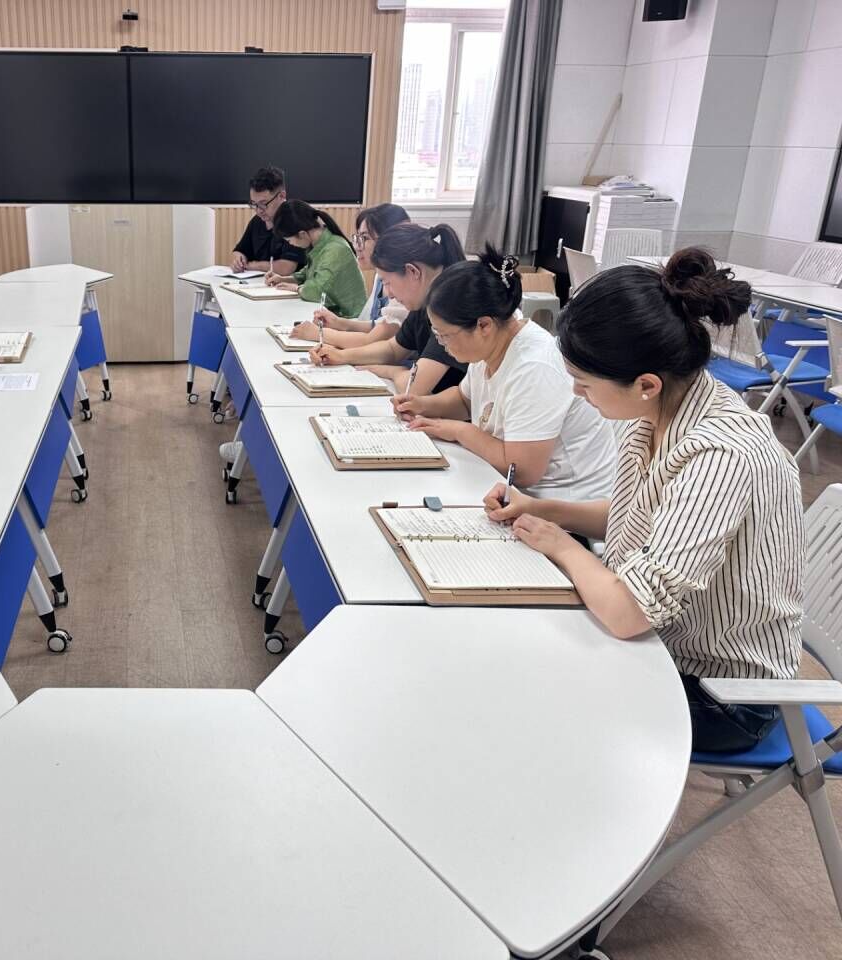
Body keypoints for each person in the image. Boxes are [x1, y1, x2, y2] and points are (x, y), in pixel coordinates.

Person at [483, 249, 804, 753]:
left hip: (724, 691)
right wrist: (540, 509)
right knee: (515, 653)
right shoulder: (656, 412)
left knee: (531, 701)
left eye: (584, 384)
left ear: (645, 384)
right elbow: (637, 518)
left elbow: (629, 612)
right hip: (662, 645)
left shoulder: (719, 454)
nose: (577, 393)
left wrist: (562, 547)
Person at [393, 245, 616, 501]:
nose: (442, 344)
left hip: (560, 503)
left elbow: (522, 470)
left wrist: (459, 431)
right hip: (509, 490)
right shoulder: (492, 343)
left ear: (483, 325)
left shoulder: (534, 366)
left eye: (444, 335)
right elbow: (465, 400)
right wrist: (423, 405)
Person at [308, 222, 467, 396]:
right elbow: (393, 349)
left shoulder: (452, 304)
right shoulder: (426, 298)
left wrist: (393, 371)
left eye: (388, 283)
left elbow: (413, 388)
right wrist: (341, 356)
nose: (389, 295)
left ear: (413, 272)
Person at [292, 202, 410, 339]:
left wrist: (321, 334)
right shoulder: (380, 276)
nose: (357, 246)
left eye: (364, 238)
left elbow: (376, 340)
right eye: (357, 238)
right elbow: (373, 324)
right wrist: (338, 323)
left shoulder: (404, 281)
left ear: (390, 240)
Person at [266, 200, 367, 317]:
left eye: (289, 240)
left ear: (302, 234)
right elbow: (307, 273)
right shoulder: (319, 244)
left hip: (350, 318)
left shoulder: (335, 249)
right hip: (333, 314)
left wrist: (297, 289)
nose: (291, 244)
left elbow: (318, 290)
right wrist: (283, 279)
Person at [230, 166, 303, 276]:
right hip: (258, 282)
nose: (259, 210)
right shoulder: (257, 221)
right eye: (254, 204)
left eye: (263, 204)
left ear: (281, 196)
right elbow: (239, 251)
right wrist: (238, 260)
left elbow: (286, 268)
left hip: (289, 284)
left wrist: (253, 266)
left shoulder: (294, 220)